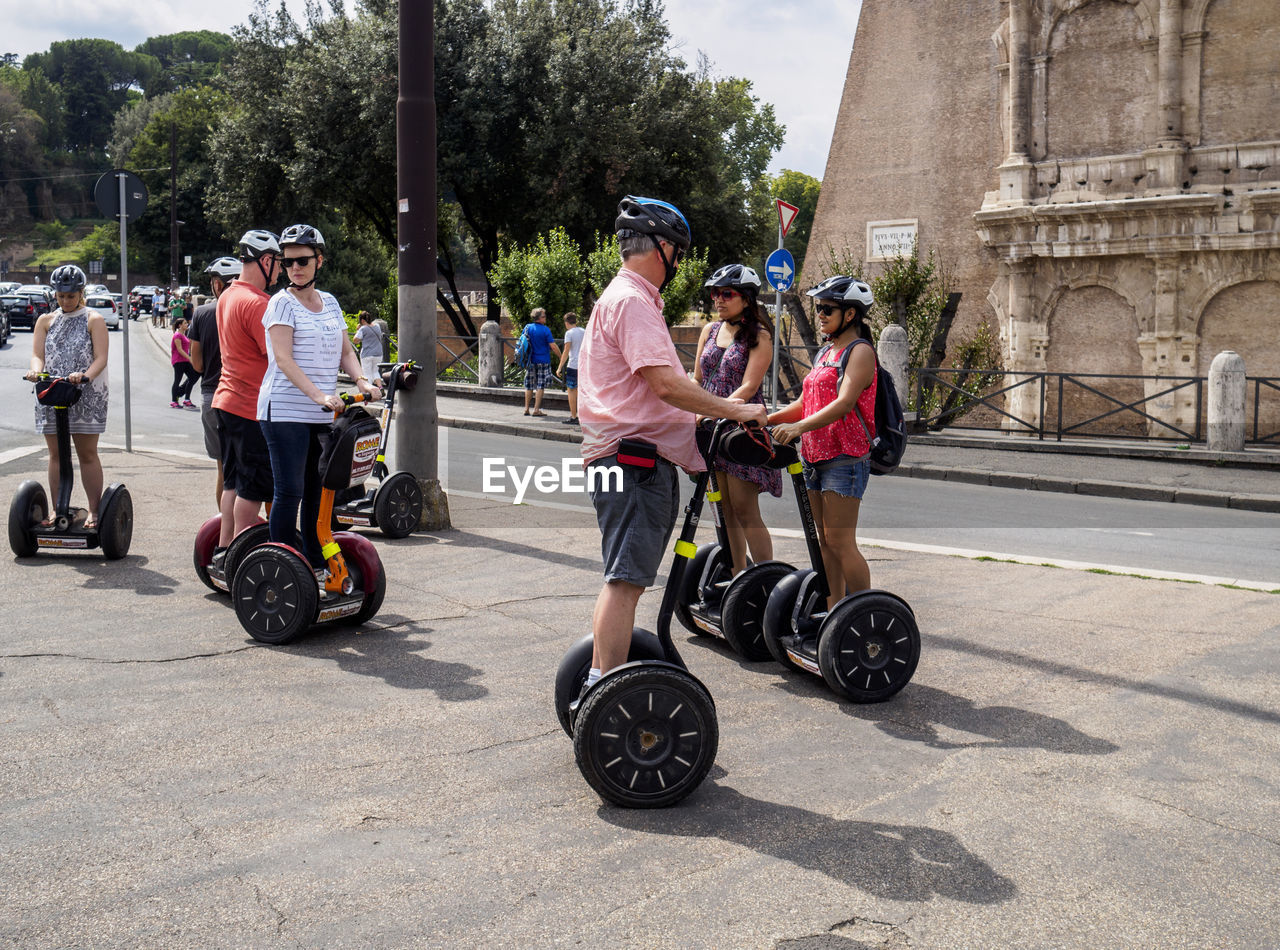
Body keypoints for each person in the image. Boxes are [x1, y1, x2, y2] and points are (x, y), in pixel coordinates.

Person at [577, 195, 767, 690]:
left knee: (622, 580)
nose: (678, 264)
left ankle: (600, 680)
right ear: (662, 247)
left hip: (624, 457)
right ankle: (605, 691)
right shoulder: (633, 302)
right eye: (678, 252)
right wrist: (736, 409)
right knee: (625, 583)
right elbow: (665, 385)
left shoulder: (621, 298)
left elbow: (654, 388)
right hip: (635, 463)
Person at [258, 224, 380, 578]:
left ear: (319, 261)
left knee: (317, 490)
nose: (295, 267)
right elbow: (283, 359)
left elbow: (346, 350)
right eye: (288, 261)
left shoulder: (330, 302)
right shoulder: (281, 303)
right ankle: (280, 567)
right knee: (290, 490)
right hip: (284, 411)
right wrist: (319, 395)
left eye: (303, 260)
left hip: (321, 413)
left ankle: (312, 561)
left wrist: (362, 380)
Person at [768, 275, 878, 608]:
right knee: (824, 543)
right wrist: (766, 418)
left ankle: (862, 613)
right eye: (818, 308)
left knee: (841, 543)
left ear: (850, 314)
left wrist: (799, 428)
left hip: (845, 458)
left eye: (828, 308)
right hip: (814, 457)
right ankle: (834, 615)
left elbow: (844, 403)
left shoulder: (859, 352)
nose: (820, 314)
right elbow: (806, 402)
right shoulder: (826, 352)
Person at [693, 263, 782, 575]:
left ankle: (766, 576)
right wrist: (687, 408)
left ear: (746, 298)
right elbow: (698, 379)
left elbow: (749, 387)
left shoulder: (759, 336)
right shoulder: (710, 330)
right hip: (709, 428)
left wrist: (716, 410)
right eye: (715, 294)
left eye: (726, 294)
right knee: (723, 509)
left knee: (744, 509)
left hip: (739, 429)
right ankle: (738, 577)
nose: (718, 299)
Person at [210, 230, 282, 564]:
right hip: (252, 406)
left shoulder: (227, 295)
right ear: (266, 261)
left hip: (226, 402)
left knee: (233, 482)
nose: (280, 271)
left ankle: (225, 548)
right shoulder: (258, 304)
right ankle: (242, 555)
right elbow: (279, 357)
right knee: (254, 486)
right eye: (279, 263)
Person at [23, 265, 109, 529]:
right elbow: (38, 354)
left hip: (85, 394)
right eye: (60, 295)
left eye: (70, 296)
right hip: (52, 392)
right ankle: (57, 509)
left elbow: (101, 358)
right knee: (56, 455)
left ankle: (94, 511)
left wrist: (84, 376)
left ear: (80, 293)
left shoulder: (94, 319)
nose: (65, 300)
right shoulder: (45, 321)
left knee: (87, 454)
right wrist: (36, 372)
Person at [188, 256, 240, 507]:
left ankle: (226, 531)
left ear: (218, 285)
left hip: (211, 395)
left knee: (224, 471)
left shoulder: (202, 314)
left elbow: (196, 365)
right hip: (242, 396)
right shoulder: (249, 308)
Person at [520, 307, 561, 417]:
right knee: (540, 386)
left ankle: (526, 409)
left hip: (530, 361)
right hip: (543, 361)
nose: (545, 318)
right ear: (539, 318)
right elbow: (553, 346)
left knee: (528, 385)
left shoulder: (527, 327)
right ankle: (536, 410)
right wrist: (561, 357)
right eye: (544, 316)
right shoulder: (545, 330)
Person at [555, 311, 584, 425]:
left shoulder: (569, 333)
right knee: (582, 392)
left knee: (571, 391)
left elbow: (566, 351)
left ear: (566, 322)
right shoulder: (584, 331)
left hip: (573, 365)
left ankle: (573, 416)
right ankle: (584, 416)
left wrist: (559, 367)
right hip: (583, 365)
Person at [169, 316, 199, 408]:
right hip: (178, 361)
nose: (187, 324)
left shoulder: (184, 335)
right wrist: (189, 358)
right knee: (177, 380)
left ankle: (187, 399)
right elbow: (179, 349)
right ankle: (174, 401)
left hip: (185, 360)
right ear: (180, 325)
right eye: (185, 323)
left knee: (193, 377)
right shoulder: (177, 335)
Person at [352, 311, 383, 383]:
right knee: (375, 372)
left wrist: (358, 330)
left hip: (367, 354)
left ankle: (369, 391)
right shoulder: (377, 326)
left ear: (362, 320)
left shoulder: (363, 329)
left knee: (367, 374)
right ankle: (380, 387)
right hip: (378, 354)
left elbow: (355, 340)